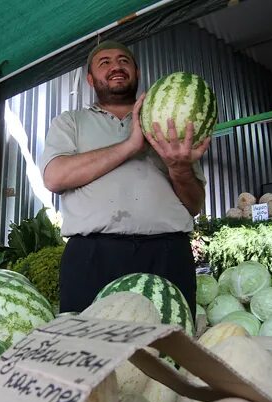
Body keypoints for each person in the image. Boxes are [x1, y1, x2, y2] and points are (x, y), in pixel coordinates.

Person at [39, 40, 211, 316]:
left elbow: (194, 205)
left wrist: (179, 169)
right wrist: (131, 145)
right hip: (93, 256)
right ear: (90, 79)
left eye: (123, 60)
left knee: (168, 353)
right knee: (91, 352)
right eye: (104, 62)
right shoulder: (70, 121)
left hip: (167, 253)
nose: (115, 66)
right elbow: (55, 177)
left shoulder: (168, 122)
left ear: (137, 72)